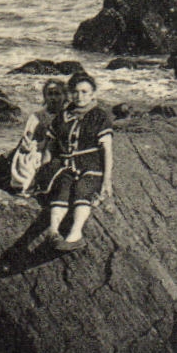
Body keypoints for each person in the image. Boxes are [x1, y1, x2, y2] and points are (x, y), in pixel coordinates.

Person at [40, 70, 114, 252]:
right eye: (76, 92)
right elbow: (49, 146)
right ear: (70, 94)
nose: (79, 96)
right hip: (65, 165)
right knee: (61, 190)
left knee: (83, 190)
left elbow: (107, 150)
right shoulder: (62, 117)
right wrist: (44, 171)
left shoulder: (100, 116)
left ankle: (75, 234)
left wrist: (107, 181)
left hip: (91, 166)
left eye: (85, 92)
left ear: (93, 94)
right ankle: (54, 231)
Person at [10, 78, 67, 196]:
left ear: (65, 95)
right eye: (50, 94)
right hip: (40, 151)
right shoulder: (37, 117)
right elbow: (27, 138)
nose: (53, 98)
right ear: (45, 97)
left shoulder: (69, 115)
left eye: (57, 94)